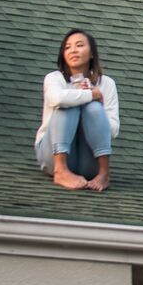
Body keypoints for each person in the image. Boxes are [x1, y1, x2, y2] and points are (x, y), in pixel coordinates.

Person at [34, 29, 119, 191]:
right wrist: (86, 94)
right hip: (51, 154)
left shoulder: (107, 84)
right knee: (68, 104)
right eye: (67, 47)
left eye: (79, 45)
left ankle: (103, 174)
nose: (73, 50)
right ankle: (61, 171)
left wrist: (94, 104)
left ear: (92, 53)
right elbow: (56, 99)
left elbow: (113, 130)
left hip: (88, 161)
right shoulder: (54, 78)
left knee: (93, 107)